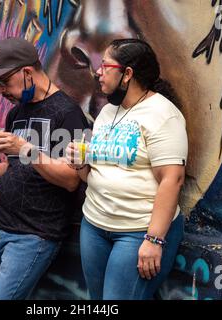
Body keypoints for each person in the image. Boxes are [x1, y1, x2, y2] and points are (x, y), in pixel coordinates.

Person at [0, 37, 89, 300]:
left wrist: (26, 149)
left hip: (33, 235)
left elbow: (71, 180)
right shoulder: (16, 113)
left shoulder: (68, 113)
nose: (1, 90)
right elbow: (15, 166)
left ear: (27, 72)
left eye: (4, 82)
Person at [66, 38, 188, 300]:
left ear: (127, 74)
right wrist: (80, 163)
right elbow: (94, 174)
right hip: (95, 226)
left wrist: (154, 240)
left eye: (105, 65)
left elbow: (172, 180)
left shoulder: (163, 115)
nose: (98, 71)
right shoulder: (108, 112)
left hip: (137, 232)